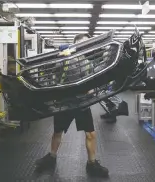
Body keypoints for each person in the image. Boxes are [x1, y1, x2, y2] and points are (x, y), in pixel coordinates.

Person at [35, 34, 109, 178]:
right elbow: (52, 74)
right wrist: (59, 56)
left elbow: (93, 80)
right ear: (74, 44)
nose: (84, 46)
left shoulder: (88, 62)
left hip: (82, 102)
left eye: (87, 43)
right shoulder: (64, 59)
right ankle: (51, 157)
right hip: (65, 102)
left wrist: (92, 89)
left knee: (90, 134)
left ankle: (92, 163)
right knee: (57, 132)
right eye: (81, 43)